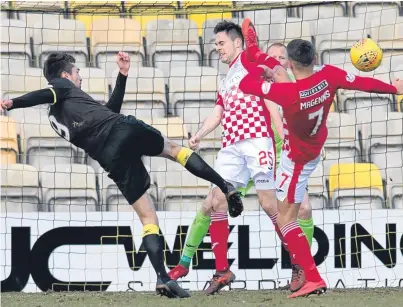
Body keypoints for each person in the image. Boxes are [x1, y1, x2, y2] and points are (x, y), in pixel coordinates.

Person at [0, 51, 245, 299]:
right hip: (120, 130)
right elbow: (47, 93)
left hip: (109, 158)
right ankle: (225, 186)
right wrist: (14, 103)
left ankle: (162, 278)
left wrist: (123, 76)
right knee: (174, 150)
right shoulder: (60, 87)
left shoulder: (58, 114)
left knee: (148, 216)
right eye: (76, 72)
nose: (80, 76)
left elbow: (110, 109)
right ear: (64, 75)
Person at [238, 35, 403, 298]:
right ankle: (308, 276)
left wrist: (260, 67)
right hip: (314, 149)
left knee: (285, 219)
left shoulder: (287, 93)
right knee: (289, 213)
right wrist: (394, 88)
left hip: (296, 161)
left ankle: (312, 277)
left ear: (291, 65)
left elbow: (247, 84)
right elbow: (363, 83)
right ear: (314, 58)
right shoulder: (329, 76)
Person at [168, 41, 315, 293]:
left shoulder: (293, 88)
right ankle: (185, 263)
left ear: (288, 63)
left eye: (282, 57)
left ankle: (299, 267)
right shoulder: (259, 83)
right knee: (211, 202)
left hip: (280, 157)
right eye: (272, 57)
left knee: (302, 208)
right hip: (254, 152)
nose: (277, 60)